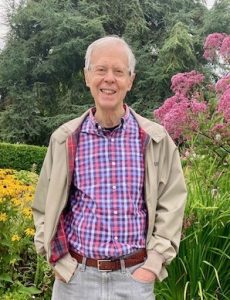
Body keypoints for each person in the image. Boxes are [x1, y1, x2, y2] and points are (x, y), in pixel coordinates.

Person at [32, 36, 187, 300]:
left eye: (118, 71)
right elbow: (43, 205)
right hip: (75, 281)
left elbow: (172, 202)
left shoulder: (155, 139)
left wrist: (153, 264)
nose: (109, 79)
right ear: (87, 76)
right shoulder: (64, 139)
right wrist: (56, 259)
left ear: (130, 80)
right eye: (101, 70)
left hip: (134, 279)